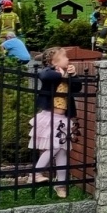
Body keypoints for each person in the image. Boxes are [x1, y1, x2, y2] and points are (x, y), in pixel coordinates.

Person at [29, 46, 82, 198]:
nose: (68, 59)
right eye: (65, 57)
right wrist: (61, 73)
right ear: (54, 61)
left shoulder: (67, 73)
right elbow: (45, 76)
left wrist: (73, 75)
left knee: (62, 153)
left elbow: (77, 88)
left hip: (63, 119)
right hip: (50, 117)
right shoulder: (49, 72)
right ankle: (35, 173)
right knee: (54, 147)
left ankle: (61, 185)